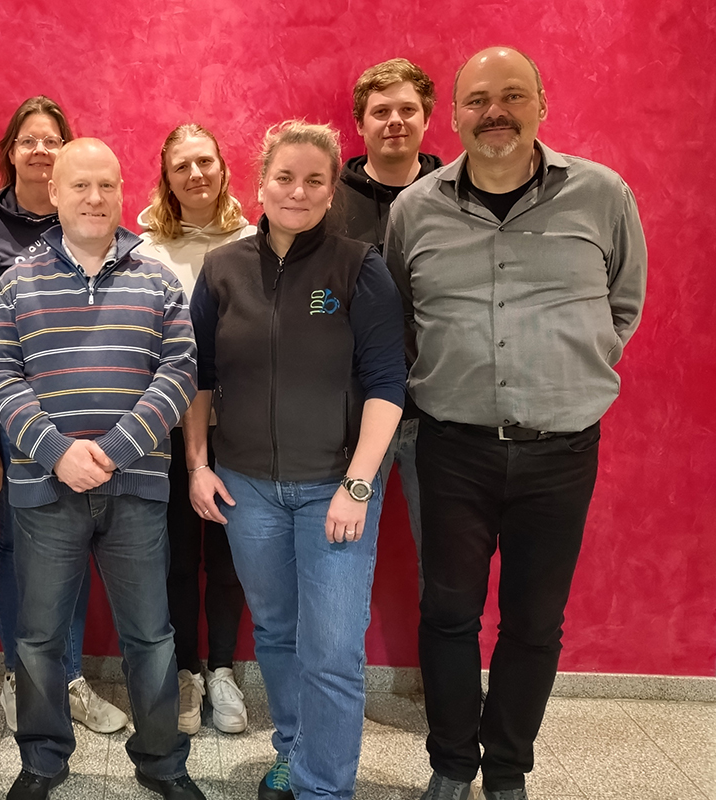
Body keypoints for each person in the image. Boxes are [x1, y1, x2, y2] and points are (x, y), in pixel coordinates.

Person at [384, 47, 647, 800]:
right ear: (455, 115)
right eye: (476, 99)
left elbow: (623, 303)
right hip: (450, 447)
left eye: (511, 95)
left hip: (561, 450)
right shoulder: (415, 210)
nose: (493, 111)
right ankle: (450, 765)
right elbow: (401, 315)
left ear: (541, 104)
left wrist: (573, 366)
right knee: (448, 614)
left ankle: (505, 771)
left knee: (535, 620)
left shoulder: (602, 194)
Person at [188, 121, 406, 800]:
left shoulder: (359, 267)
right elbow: (197, 378)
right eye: (285, 177)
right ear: (260, 184)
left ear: (332, 189)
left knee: (333, 650)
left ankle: (323, 788)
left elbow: (387, 384)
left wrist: (358, 485)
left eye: (315, 180)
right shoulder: (222, 269)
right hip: (246, 489)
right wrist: (198, 464)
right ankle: (293, 750)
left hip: (334, 489)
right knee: (277, 633)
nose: (298, 191)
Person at [0, 139, 203, 800]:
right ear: (54, 192)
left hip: (135, 488)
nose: (94, 198)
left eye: (107, 185)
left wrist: (114, 450)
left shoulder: (158, 279)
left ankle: (162, 763)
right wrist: (57, 451)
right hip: (45, 490)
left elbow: (180, 373)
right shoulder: (16, 280)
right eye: (80, 185)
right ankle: (42, 760)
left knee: (151, 637)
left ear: (122, 191)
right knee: (39, 638)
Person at [0, 97, 126, 736]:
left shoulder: (93, 222)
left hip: (91, 426)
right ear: (11, 153)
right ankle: (20, 675)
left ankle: (69, 675)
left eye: (51, 140)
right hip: (19, 425)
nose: (39, 150)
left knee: (73, 542)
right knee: (16, 546)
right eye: (27, 140)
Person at [137, 123, 254, 736]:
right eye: (181, 166)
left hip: (237, 428)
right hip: (164, 431)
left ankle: (223, 670)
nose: (196, 174)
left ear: (223, 168)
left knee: (230, 556)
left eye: (205, 161)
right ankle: (185, 671)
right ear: (167, 178)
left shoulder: (255, 240)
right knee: (176, 558)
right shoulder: (144, 248)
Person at [331, 57, 442, 596]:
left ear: (427, 118)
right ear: (360, 123)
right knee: (340, 557)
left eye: (407, 109)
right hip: (353, 412)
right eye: (380, 111)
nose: (395, 121)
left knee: (444, 568)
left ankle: (445, 659)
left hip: (440, 413)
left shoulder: (456, 197)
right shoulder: (328, 202)